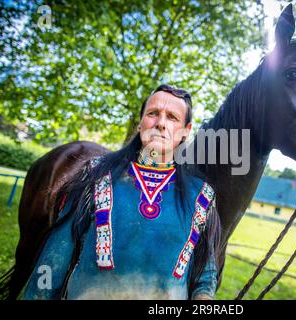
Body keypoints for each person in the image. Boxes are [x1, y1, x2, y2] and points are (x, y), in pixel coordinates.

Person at [21, 84, 222, 300]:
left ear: (186, 131)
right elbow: (53, 261)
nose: (161, 124)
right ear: (140, 124)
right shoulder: (95, 175)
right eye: (153, 114)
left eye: (172, 117)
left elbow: (205, 274)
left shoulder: (201, 196)